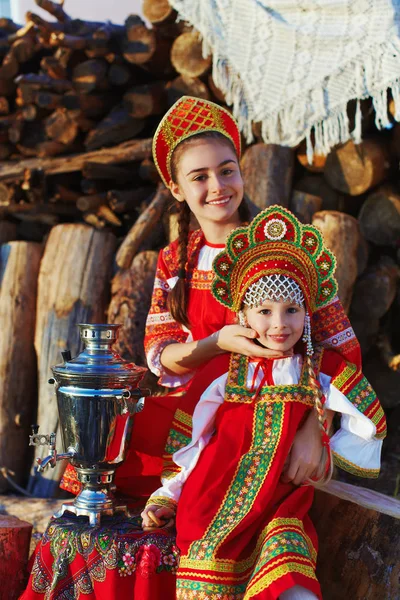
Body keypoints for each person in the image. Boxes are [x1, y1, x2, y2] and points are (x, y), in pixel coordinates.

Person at [60, 96, 363, 498]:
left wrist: (315, 429)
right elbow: (161, 352)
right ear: (176, 188)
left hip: (271, 411)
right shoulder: (176, 258)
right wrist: (216, 343)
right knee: (108, 434)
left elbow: (339, 349)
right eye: (199, 177)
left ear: (241, 172)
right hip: (198, 406)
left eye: (227, 171)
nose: (218, 186)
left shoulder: (283, 249)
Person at [142, 205, 386, 600]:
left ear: (308, 313)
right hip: (213, 499)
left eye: (292, 310)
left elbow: (367, 411)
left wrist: (329, 444)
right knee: (207, 566)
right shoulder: (224, 369)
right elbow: (191, 438)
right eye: (265, 311)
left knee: (291, 576)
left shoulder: (319, 369)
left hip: (281, 500)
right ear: (243, 314)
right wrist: (169, 494)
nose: (279, 324)